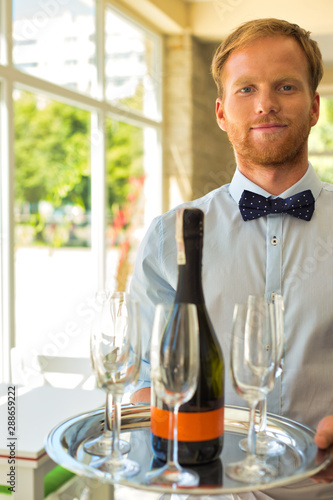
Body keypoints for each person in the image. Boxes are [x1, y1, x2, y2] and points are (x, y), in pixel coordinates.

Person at [130, 18, 333, 499]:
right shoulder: (169, 236)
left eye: (286, 86)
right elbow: (140, 377)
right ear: (222, 113)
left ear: (314, 107)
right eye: (247, 89)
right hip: (208, 490)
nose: (266, 103)